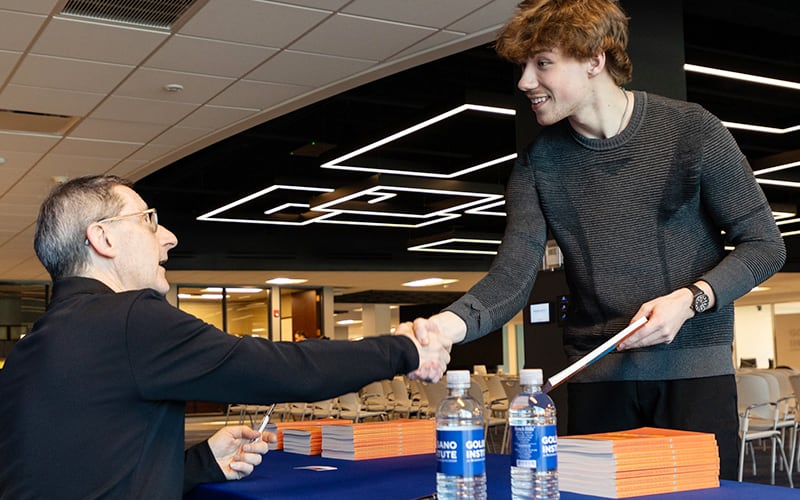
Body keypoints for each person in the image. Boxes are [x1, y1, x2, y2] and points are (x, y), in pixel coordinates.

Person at [405, 0, 785, 480]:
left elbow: (765, 245)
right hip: (598, 381)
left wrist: (692, 300)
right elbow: (511, 278)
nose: (524, 82)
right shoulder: (538, 164)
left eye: (542, 63)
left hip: (694, 377)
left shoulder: (692, 130)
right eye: (524, 66)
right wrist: (444, 328)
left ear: (594, 60)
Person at [0, 175, 451, 499]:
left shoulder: (33, 346)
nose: (169, 238)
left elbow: (84, 474)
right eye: (149, 220)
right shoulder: (129, 318)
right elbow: (287, 371)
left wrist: (201, 463)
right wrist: (405, 348)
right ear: (102, 238)